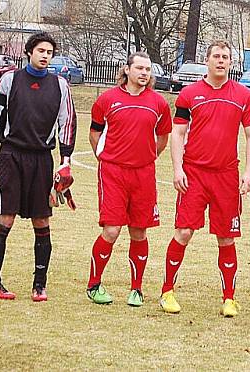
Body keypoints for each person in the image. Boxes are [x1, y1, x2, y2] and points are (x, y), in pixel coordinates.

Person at [158, 41, 250, 316]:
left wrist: (249, 172)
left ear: (231, 62)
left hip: (227, 175)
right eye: (216, 56)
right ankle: (167, 291)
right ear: (207, 60)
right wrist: (178, 168)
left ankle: (229, 298)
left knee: (226, 237)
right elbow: (178, 134)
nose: (221, 61)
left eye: (226, 57)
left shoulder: (243, 95)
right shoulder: (189, 94)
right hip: (194, 173)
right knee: (184, 231)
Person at [0, 32, 76, 301]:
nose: (45, 56)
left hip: (41, 160)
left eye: (49, 52)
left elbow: (66, 124)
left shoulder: (60, 86)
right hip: (11, 155)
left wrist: (65, 162)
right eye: (41, 51)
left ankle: (39, 285)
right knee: (6, 218)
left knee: (42, 220)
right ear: (29, 52)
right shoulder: (10, 80)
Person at [84, 52, 171, 307]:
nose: (144, 73)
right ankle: (94, 284)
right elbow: (94, 132)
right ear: (127, 70)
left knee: (139, 231)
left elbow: (163, 137)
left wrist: (147, 156)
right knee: (111, 229)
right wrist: (103, 156)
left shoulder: (158, 103)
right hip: (113, 172)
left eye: (148, 70)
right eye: (140, 68)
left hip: (143, 174)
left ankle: (136, 289)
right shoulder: (108, 99)